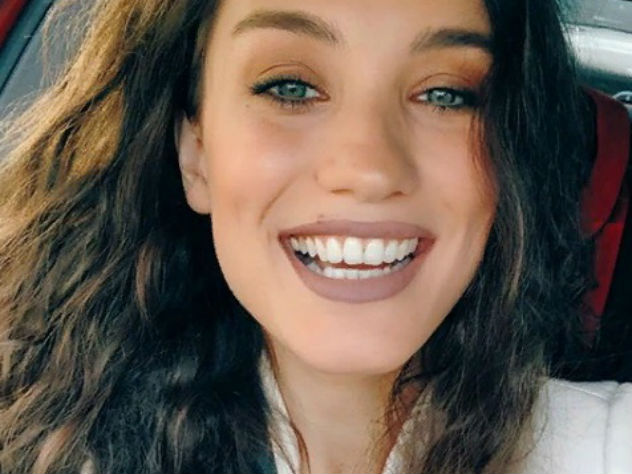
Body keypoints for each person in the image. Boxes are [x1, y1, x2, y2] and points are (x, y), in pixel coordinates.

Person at [0, 0, 630, 473]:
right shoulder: (44, 440)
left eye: (446, 95)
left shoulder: (606, 447)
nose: (369, 170)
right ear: (196, 154)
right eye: (290, 88)